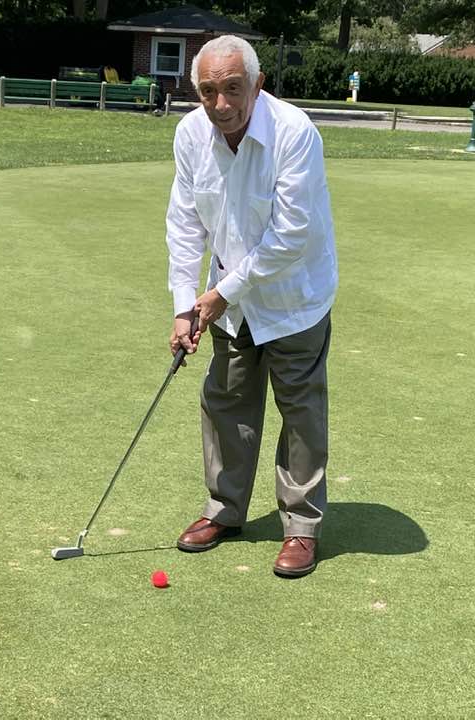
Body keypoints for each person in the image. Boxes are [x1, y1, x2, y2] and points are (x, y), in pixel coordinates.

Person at [165, 35, 338, 577]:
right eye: (208, 91)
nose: (221, 104)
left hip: (294, 299)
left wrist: (218, 295)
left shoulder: (294, 133)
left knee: (301, 412)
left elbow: (290, 237)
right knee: (227, 403)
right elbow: (185, 223)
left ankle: (302, 526)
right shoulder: (191, 134)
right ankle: (224, 511)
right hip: (230, 302)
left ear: (258, 85)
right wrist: (183, 304)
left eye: (233, 89)